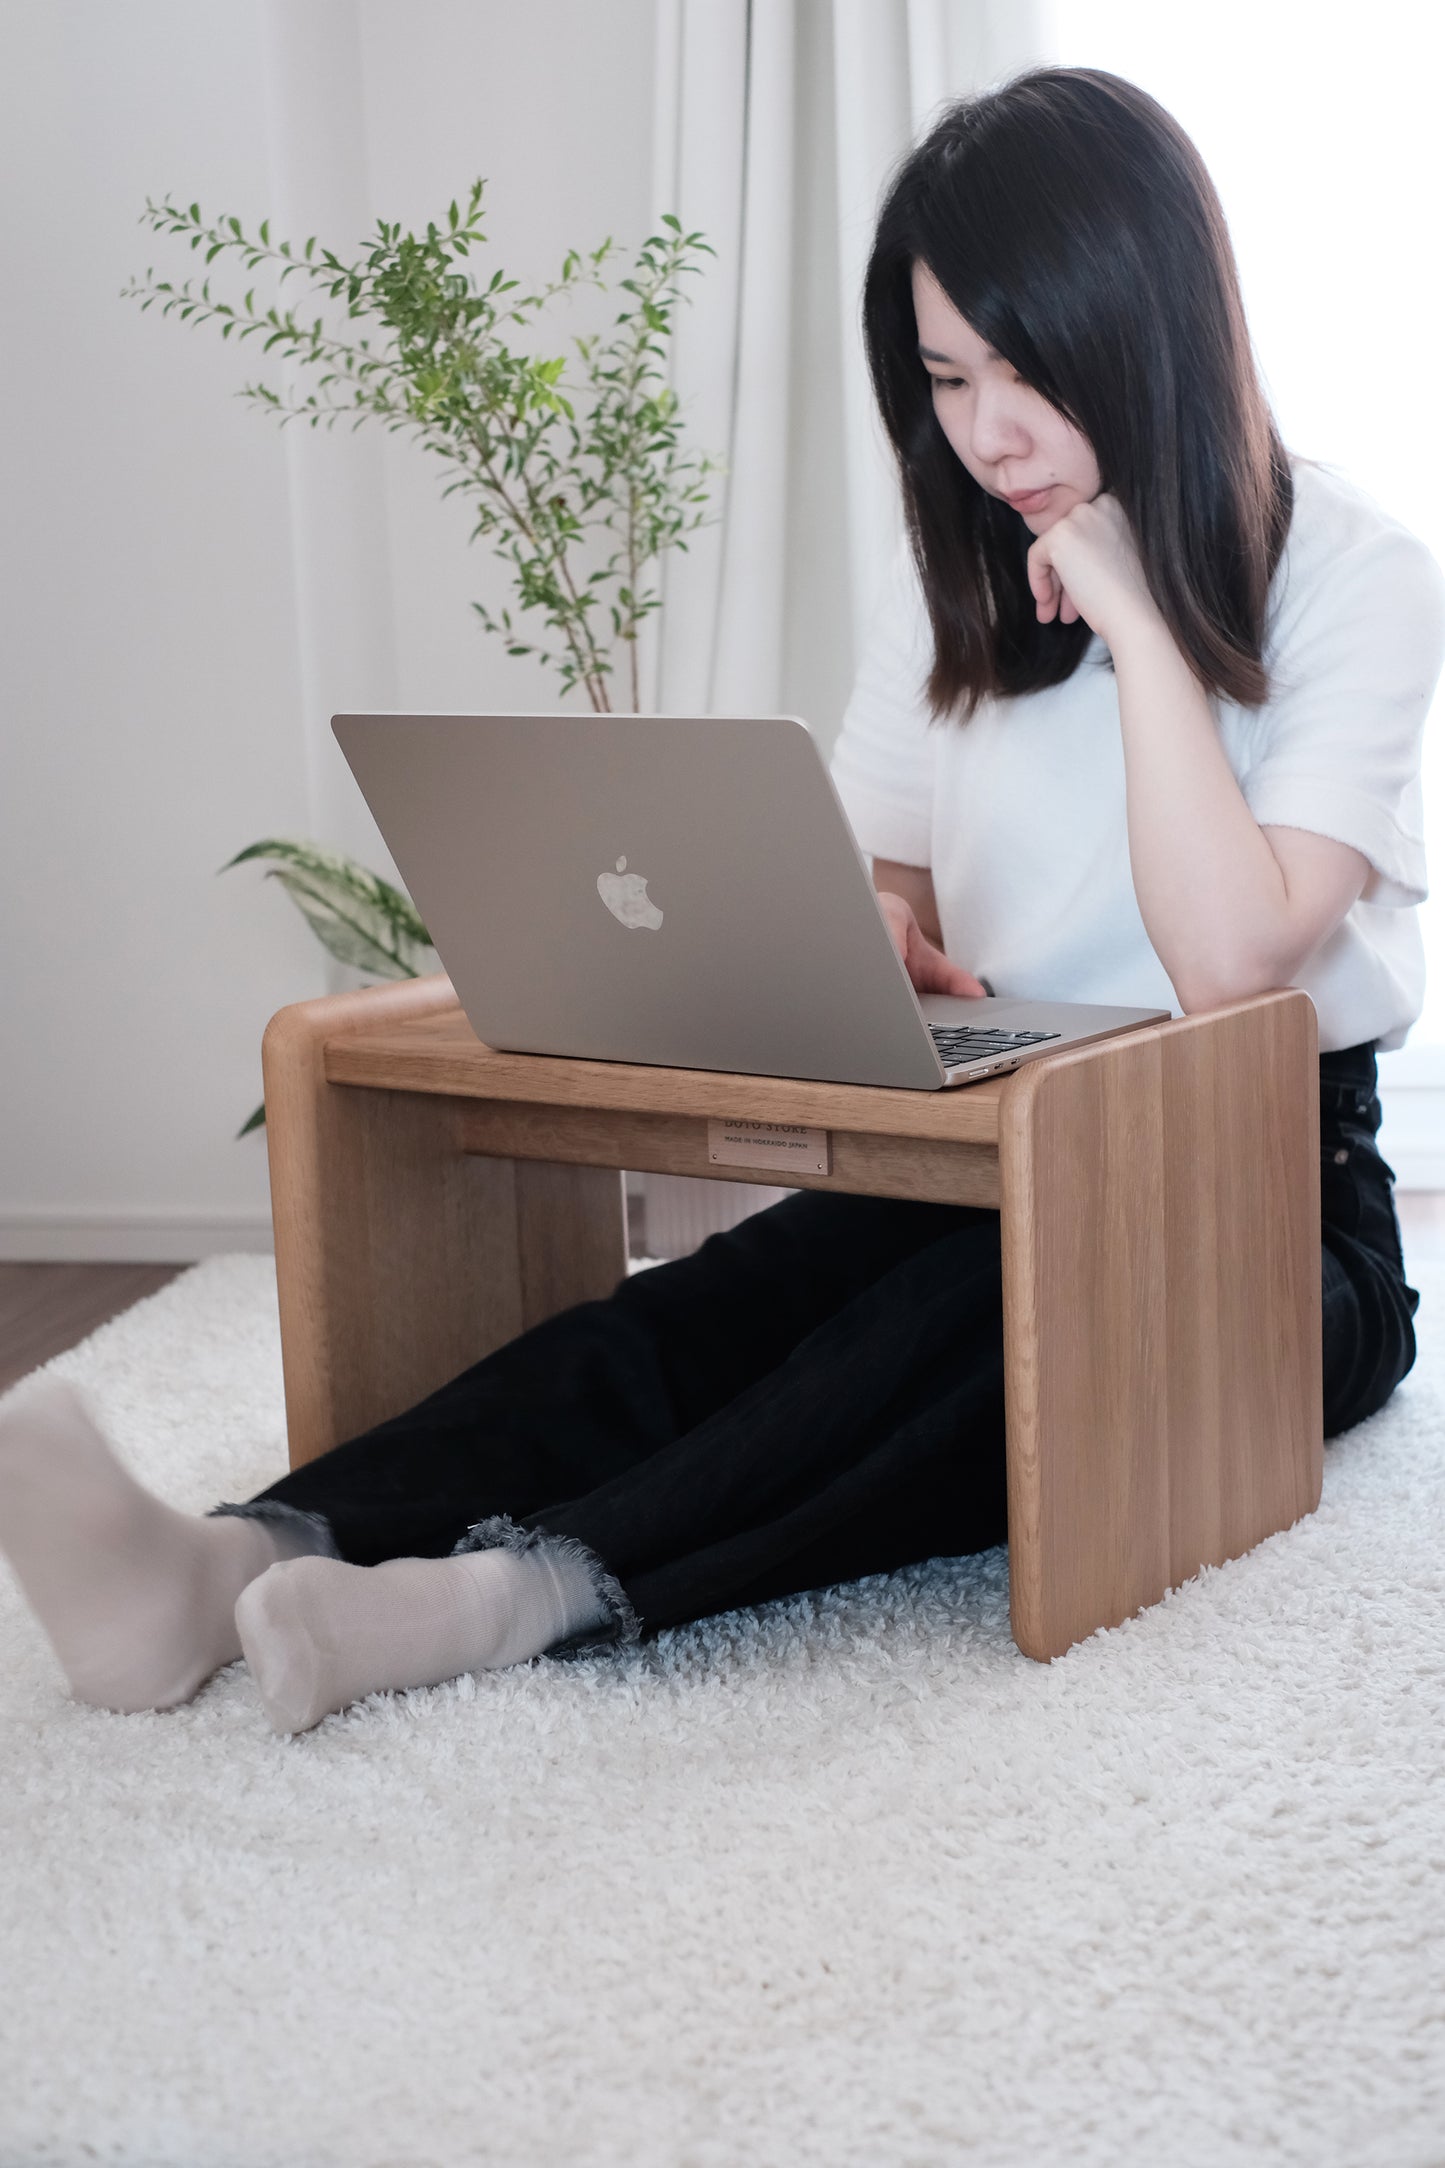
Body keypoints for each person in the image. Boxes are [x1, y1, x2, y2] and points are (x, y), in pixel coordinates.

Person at [3, 66, 1441, 1737]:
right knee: (712, 1317)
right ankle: (230, 1555)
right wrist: (878, 936)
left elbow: (1230, 962)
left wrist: (1128, 614)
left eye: (1026, 372)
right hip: (985, 1128)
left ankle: (495, 1601)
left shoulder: (1352, 573)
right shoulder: (963, 577)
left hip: (1260, 1199)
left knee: (951, 1340)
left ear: (1152, 328)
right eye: (947, 377)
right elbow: (885, 877)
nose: (985, 436)